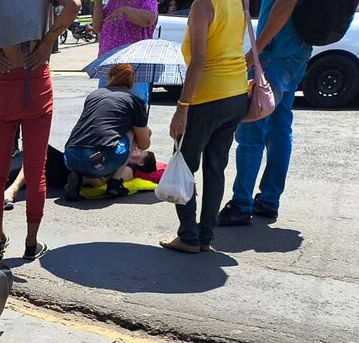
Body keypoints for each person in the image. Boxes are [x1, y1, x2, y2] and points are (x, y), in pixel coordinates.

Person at [0, 0, 80, 261]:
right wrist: (47, 42)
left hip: (5, 77)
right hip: (37, 79)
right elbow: (74, 4)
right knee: (35, 170)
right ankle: (31, 243)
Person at [160, 0, 248, 253]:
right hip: (236, 94)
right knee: (215, 167)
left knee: (184, 165)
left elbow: (199, 60)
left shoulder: (203, 4)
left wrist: (182, 107)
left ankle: (189, 236)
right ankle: (206, 236)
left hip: (207, 96)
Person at [218, 0, 308, 226]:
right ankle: (269, 200)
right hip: (296, 51)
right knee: (280, 126)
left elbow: (284, 6)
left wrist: (256, 51)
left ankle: (241, 204)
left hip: (275, 53)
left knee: (251, 129)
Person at [63, 63, 151, 200]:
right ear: (132, 83)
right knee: (132, 132)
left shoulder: (94, 95)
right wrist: (146, 132)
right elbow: (144, 145)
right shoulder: (135, 102)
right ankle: (115, 183)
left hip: (70, 157)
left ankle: (79, 176)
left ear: (110, 77)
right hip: (99, 160)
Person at [93, 0, 158, 104]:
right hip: (109, 62)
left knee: (134, 105)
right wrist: (98, 4)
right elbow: (96, 27)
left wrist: (126, 10)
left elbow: (148, 19)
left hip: (134, 64)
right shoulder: (112, 3)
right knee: (105, 105)